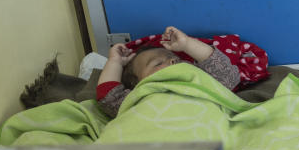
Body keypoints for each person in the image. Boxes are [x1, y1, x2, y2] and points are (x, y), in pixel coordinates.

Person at [96, 25, 239, 117]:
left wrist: (187, 44)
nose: (172, 61)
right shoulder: (138, 96)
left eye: (175, 58)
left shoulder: (201, 80)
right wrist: (114, 62)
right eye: (157, 63)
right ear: (137, 83)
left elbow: (227, 75)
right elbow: (108, 98)